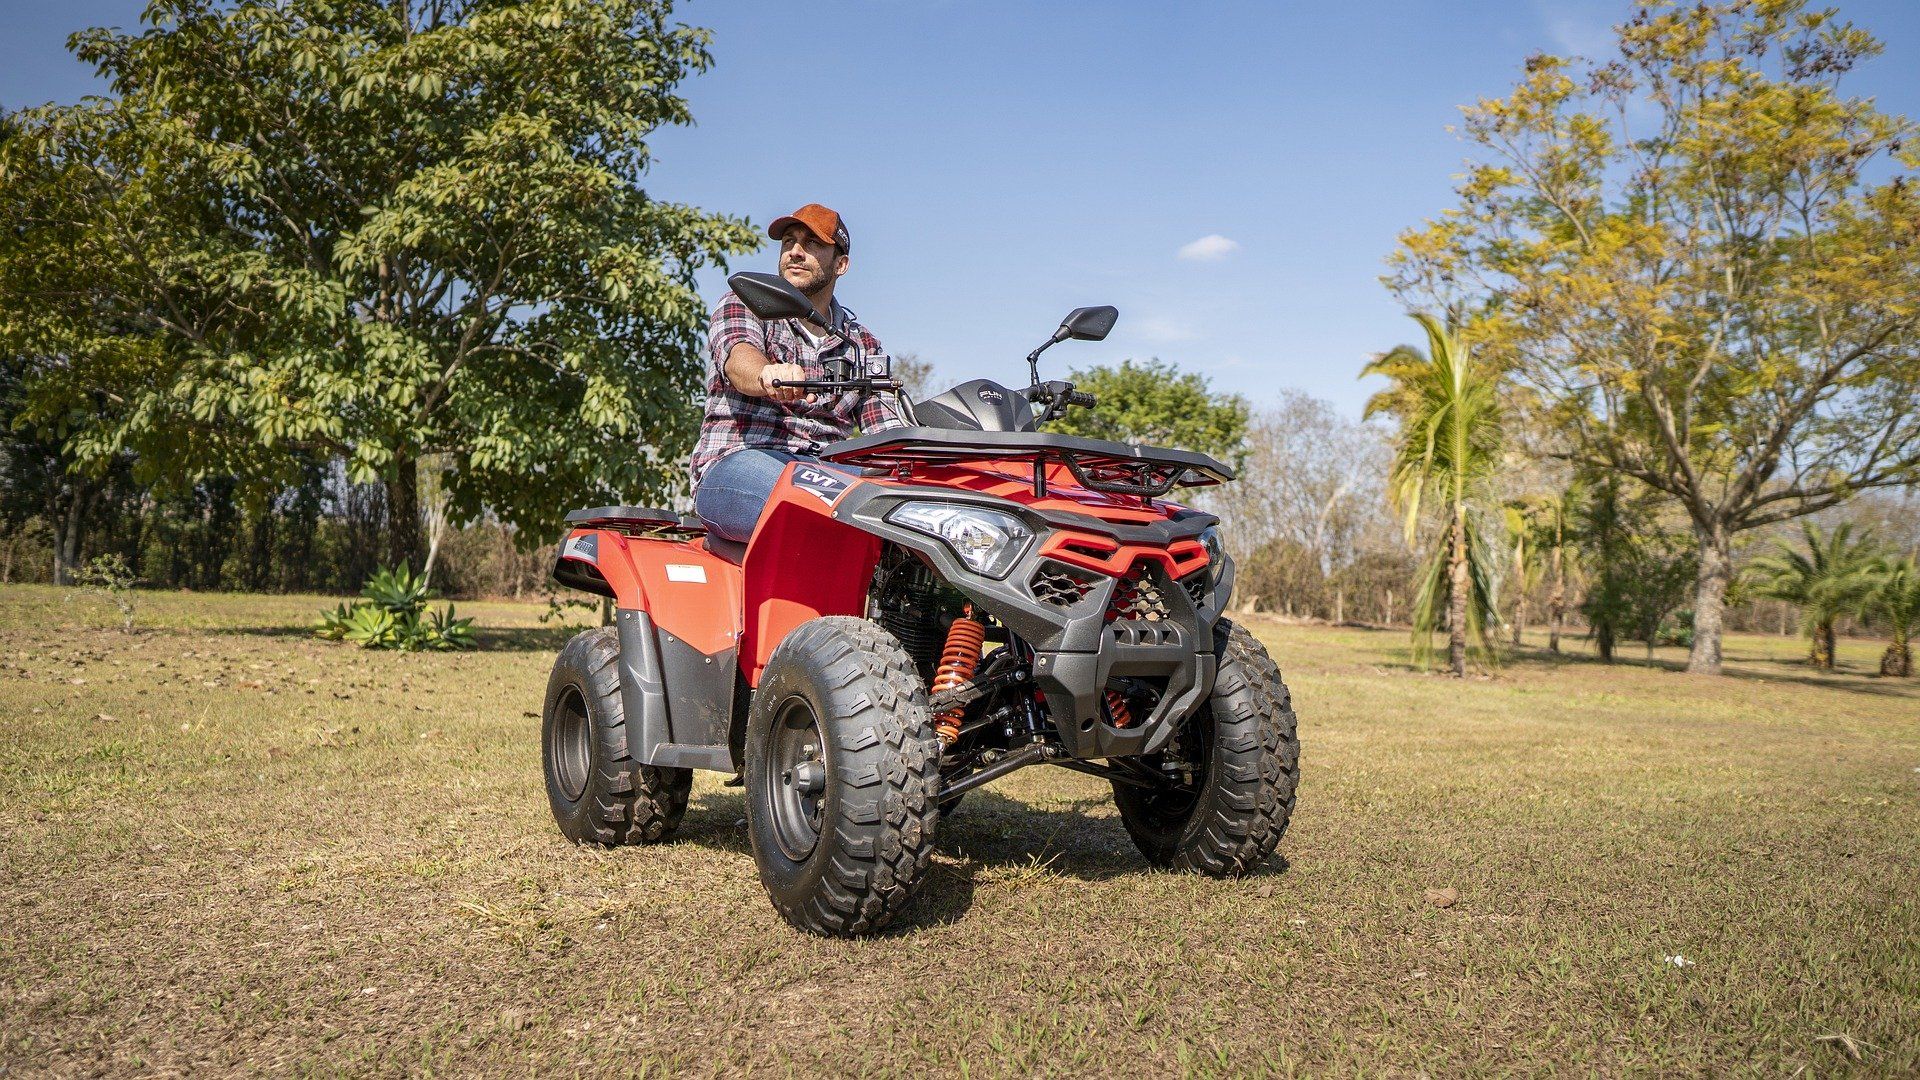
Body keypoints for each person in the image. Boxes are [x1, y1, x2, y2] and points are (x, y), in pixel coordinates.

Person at [689, 203, 906, 542]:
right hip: (742, 460)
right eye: (788, 241)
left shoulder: (862, 344)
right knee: (808, 504)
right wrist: (766, 374)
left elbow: (888, 430)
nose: (795, 252)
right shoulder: (745, 303)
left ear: (841, 264)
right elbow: (738, 358)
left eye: (812, 243)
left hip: (827, 469)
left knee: (912, 511)